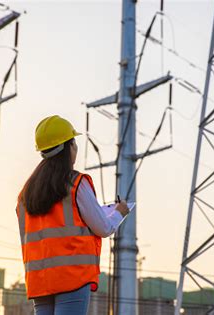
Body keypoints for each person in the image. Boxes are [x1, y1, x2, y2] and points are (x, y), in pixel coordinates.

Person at [15, 115, 129, 315]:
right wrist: (119, 212)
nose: (76, 148)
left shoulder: (26, 193)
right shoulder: (76, 183)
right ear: (68, 147)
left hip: (40, 281)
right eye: (74, 143)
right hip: (72, 277)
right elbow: (103, 227)